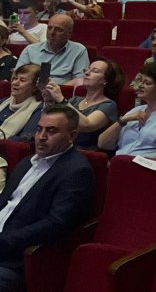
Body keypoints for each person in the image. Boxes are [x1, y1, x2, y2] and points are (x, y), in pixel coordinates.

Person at [0, 105, 95, 290]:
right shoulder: (27, 162)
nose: (41, 137)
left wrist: (4, 240)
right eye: (39, 129)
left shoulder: (76, 171)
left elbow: (56, 224)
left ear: (72, 136)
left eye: (51, 131)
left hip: (18, 258)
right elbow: (5, 201)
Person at [98, 63, 156, 157]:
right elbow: (102, 144)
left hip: (147, 167)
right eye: (140, 81)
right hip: (120, 163)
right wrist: (123, 120)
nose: (140, 85)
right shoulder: (135, 111)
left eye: (147, 83)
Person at [41, 58, 122, 149]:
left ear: (106, 80)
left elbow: (87, 125)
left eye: (95, 71)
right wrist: (48, 101)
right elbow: (53, 123)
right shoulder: (75, 100)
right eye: (87, 69)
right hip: (62, 148)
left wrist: (61, 99)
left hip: (85, 153)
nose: (87, 73)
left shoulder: (109, 105)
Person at [14, 14, 88, 85]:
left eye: (58, 30)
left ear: (69, 33)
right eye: (49, 28)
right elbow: (16, 75)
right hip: (31, 92)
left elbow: (80, 80)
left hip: (62, 93)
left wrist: (56, 89)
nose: (52, 32)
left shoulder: (78, 50)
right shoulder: (30, 49)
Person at [0, 65, 44, 141]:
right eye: (15, 78)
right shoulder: (4, 101)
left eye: (22, 80)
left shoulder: (39, 109)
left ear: (35, 87)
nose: (15, 83)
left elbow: (25, 139)